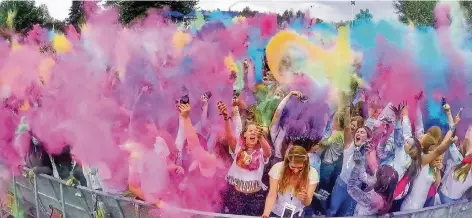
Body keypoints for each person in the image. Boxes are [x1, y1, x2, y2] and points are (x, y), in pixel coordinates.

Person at [217, 101, 272, 216]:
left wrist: (261, 136)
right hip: (236, 196)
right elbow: (230, 136)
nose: (253, 133)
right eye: (250, 131)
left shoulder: (261, 152)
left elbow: (269, 152)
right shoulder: (238, 150)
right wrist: (226, 118)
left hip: (255, 198)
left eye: (255, 132)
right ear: (245, 135)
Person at [326, 93, 373, 217]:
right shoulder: (349, 145)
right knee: (332, 211)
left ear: (367, 138)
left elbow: (360, 167)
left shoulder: (366, 151)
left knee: (345, 215)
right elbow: (347, 127)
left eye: (363, 132)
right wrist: (347, 106)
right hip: (342, 184)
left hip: (355, 189)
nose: (359, 133)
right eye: (358, 131)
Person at [262, 146, 318, 218]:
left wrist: (305, 197)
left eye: (300, 168)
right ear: (287, 162)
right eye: (292, 167)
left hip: (297, 212)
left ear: (305, 164)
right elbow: (272, 194)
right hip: (276, 211)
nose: (296, 171)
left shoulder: (312, 173)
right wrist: (266, 214)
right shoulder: (277, 168)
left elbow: (307, 203)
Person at [347, 151, 398, 216]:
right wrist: (363, 158)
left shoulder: (374, 198)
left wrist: (357, 164)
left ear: (379, 179)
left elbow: (351, 188)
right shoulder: (385, 190)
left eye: (379, 171)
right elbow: (363, 176)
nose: (377, 168)